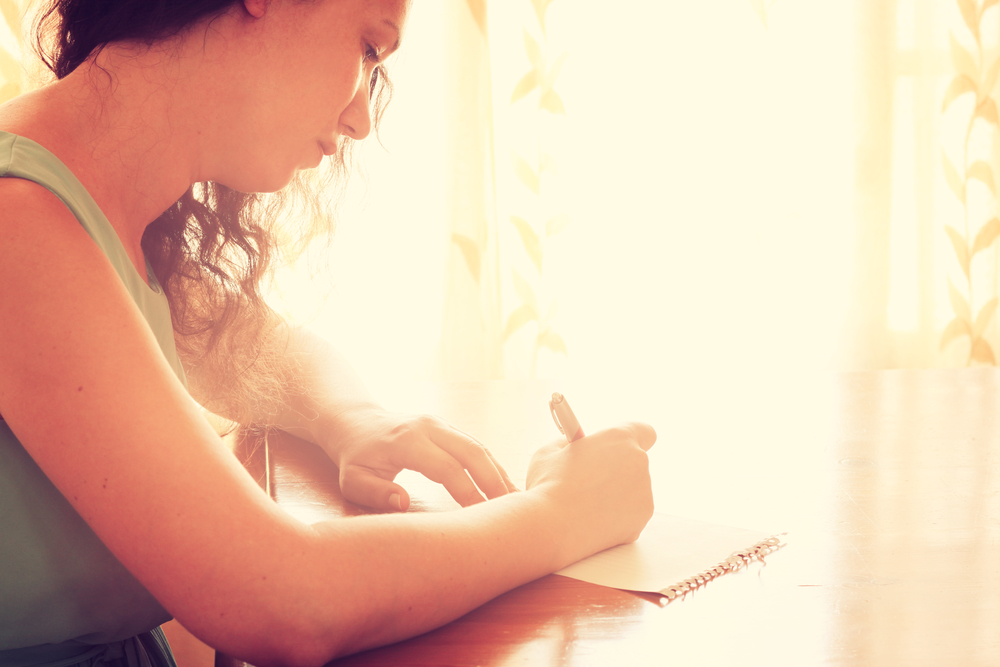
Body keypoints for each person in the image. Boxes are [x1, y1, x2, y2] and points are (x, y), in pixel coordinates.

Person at [0, 1, 657, 665]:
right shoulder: (17, 222)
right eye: (370, 48)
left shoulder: (103, 204)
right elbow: (285, 601)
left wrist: (355, 417)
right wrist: (564, 513)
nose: (362, 119)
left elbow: (254, 345)